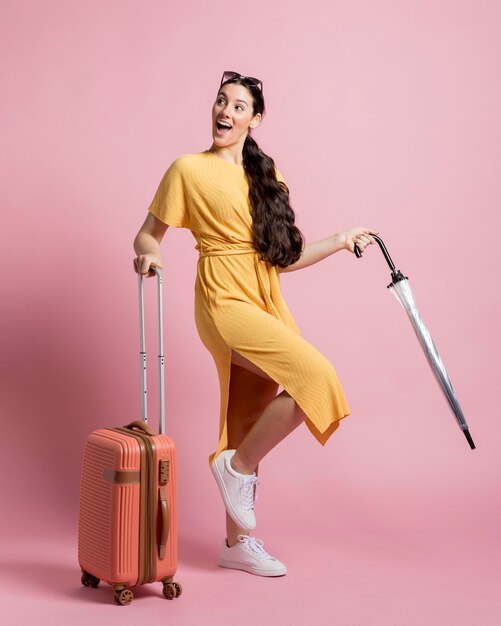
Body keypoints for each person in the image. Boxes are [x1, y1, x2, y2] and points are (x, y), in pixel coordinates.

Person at [133, 70, 377, 577]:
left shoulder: (267, 175)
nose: (225, 112)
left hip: (264, 296)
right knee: (317, 377)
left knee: (245, 413)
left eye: (238, 106)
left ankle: (236, 543)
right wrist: (149, 257)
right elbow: (147, 234)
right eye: (221, 102)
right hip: (222, 298)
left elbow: (281, 258)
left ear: (255, 118)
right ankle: (236, 467)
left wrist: (338, 239)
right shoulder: (186, 169)